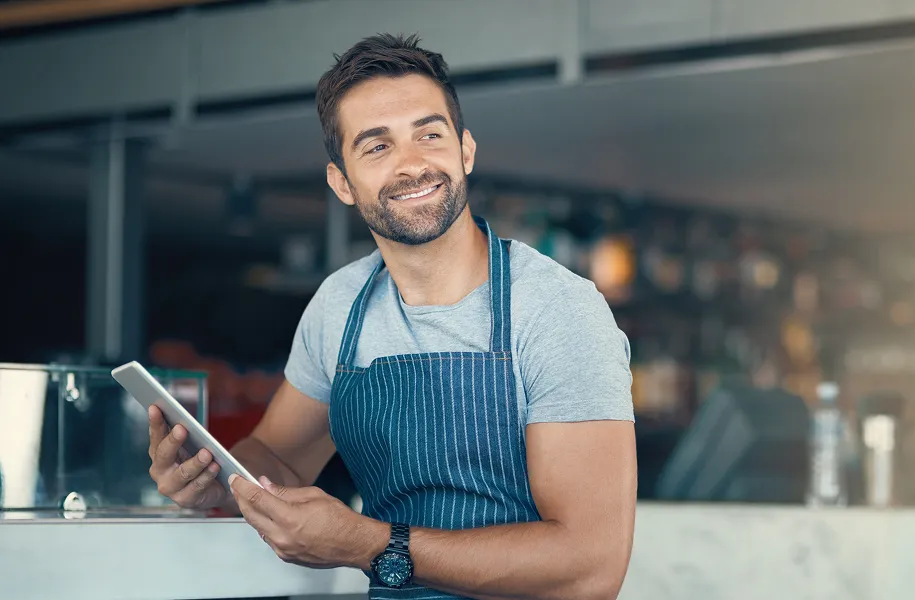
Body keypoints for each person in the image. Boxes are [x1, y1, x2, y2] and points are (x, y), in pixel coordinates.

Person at [144, 33, 637, 600]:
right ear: (342, 183)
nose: (411, 164)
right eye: (376, 147)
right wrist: (212, 475)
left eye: (429, 134)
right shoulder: (340, 303)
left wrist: (367, 544)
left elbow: (590, 567)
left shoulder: (556, 310)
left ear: (466, 150)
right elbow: (278, 459)